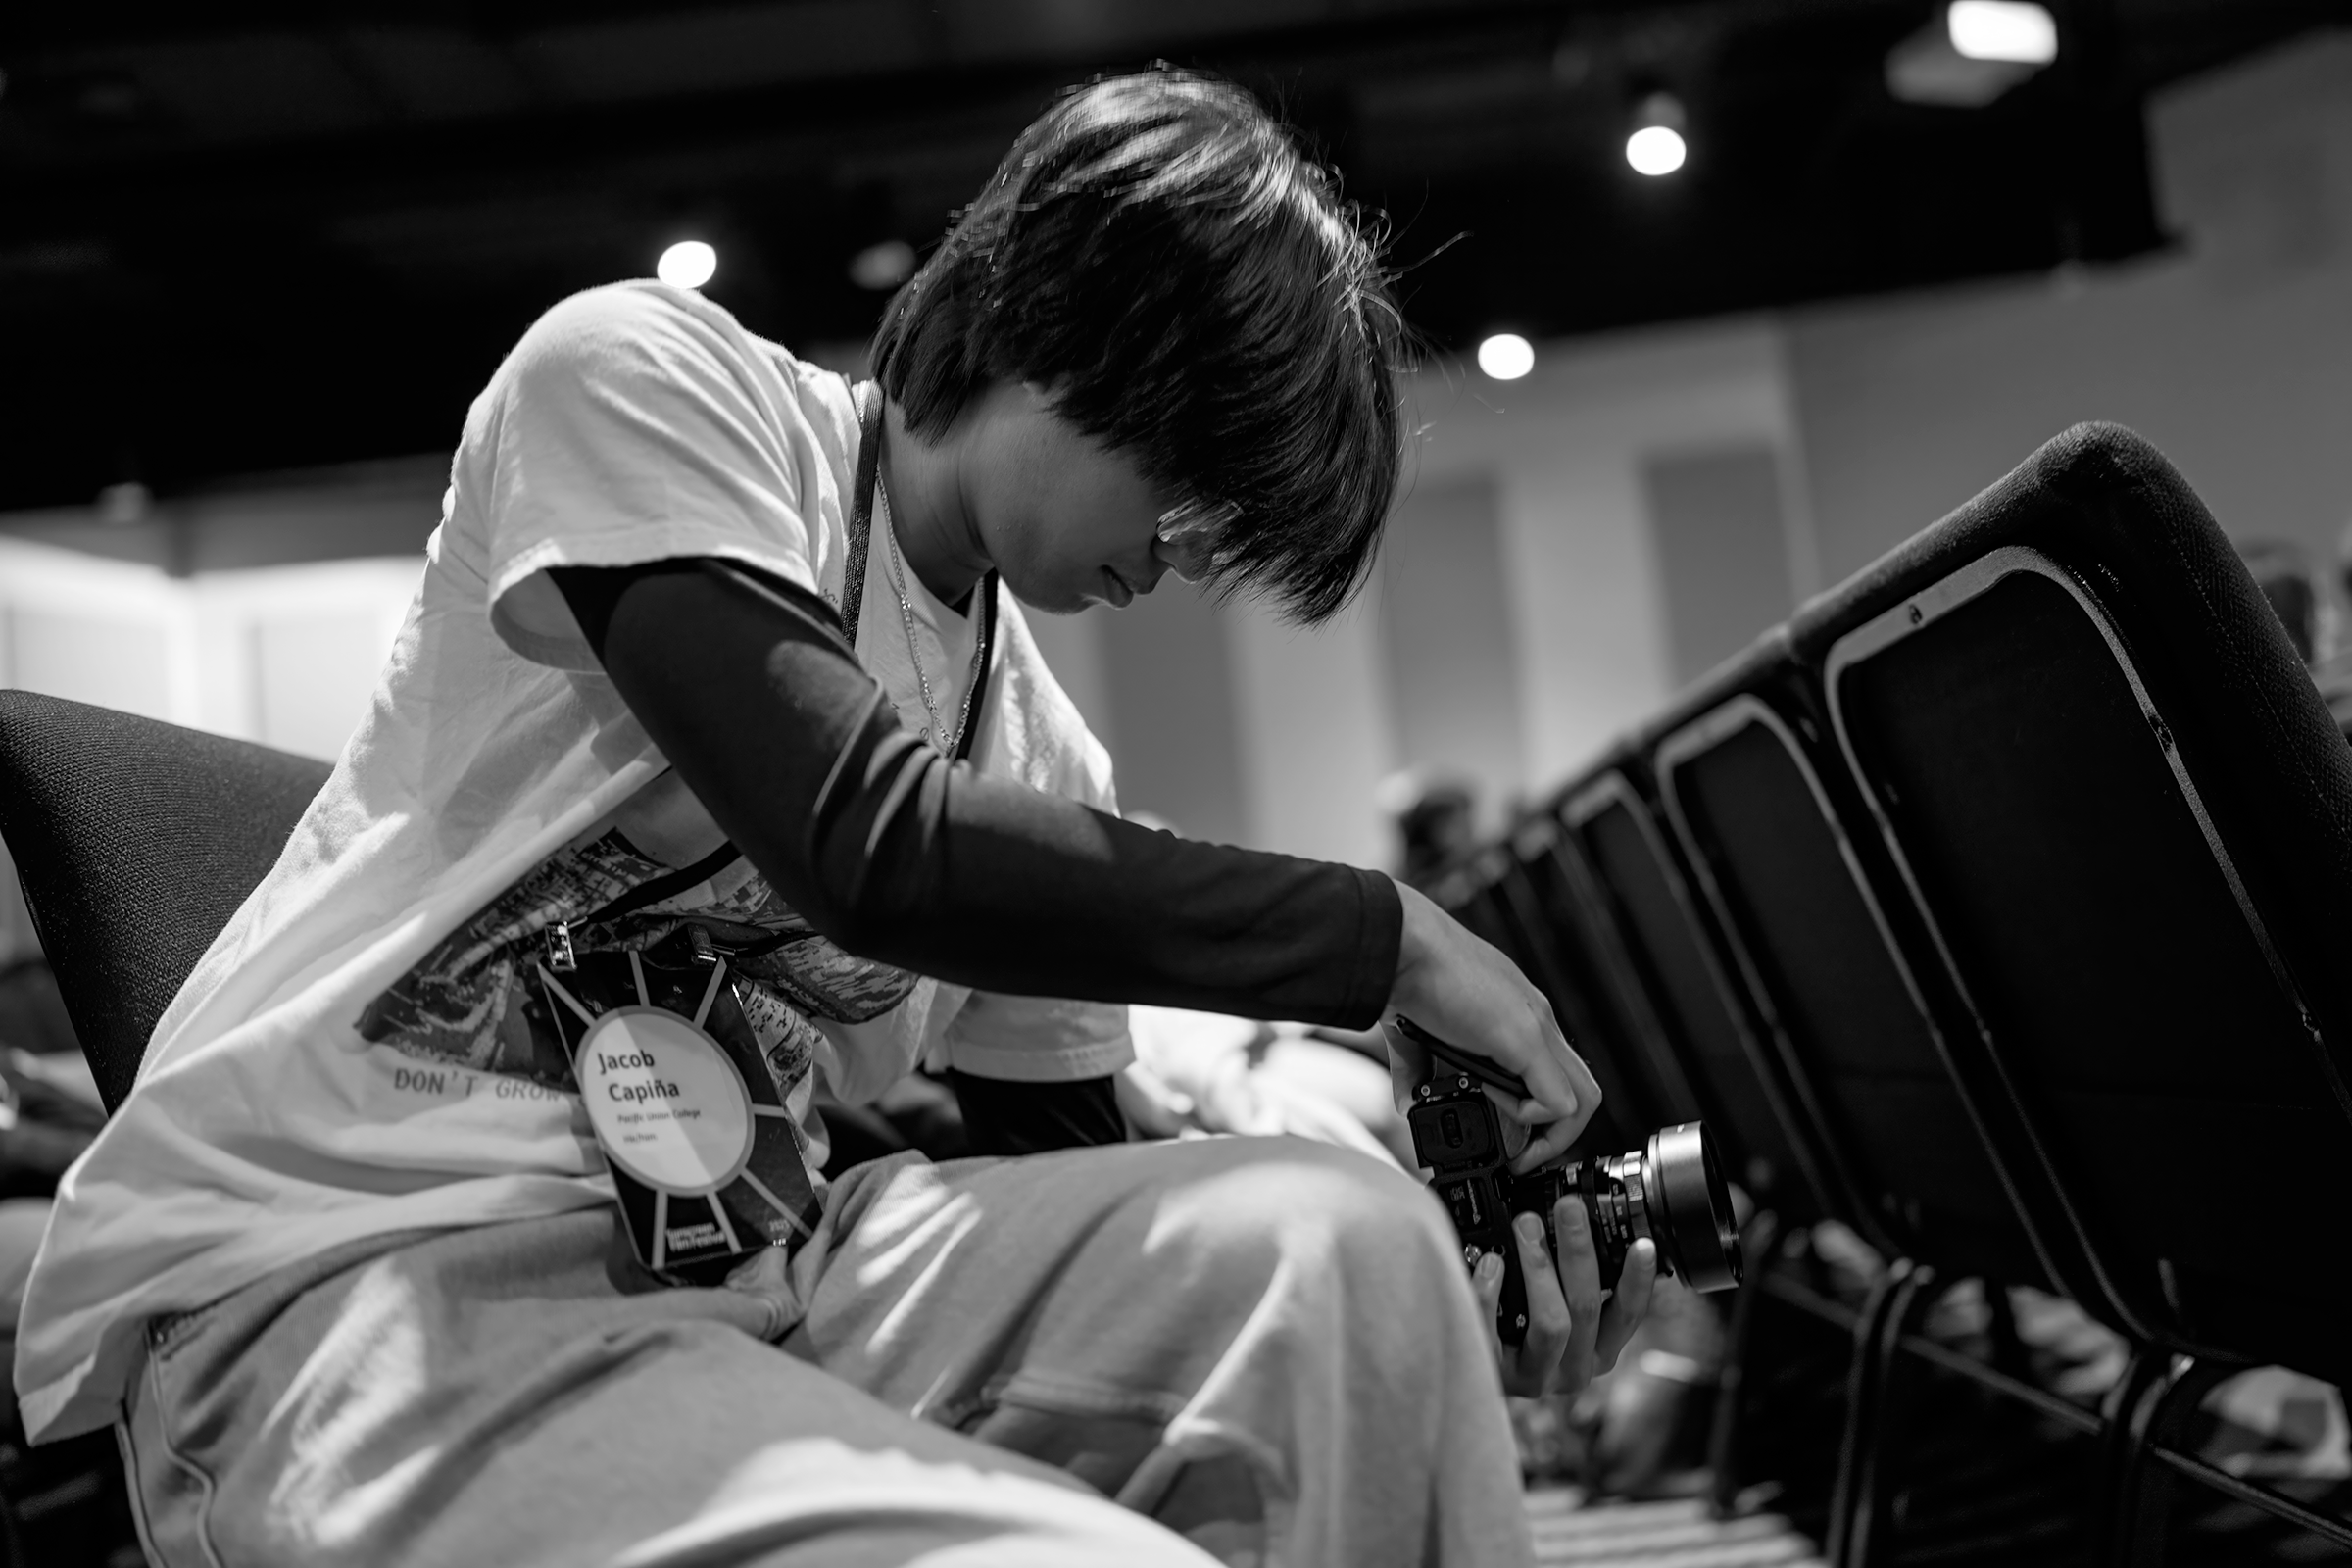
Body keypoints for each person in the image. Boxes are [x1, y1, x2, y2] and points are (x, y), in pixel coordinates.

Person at [14, 71, 1652, 1567]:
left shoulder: (1033, 743)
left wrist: (1449, 1296)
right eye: (1206, 481)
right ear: (1066, 330)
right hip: (376, 1258)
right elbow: (864, 846)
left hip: (757, 1273)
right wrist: (1378, 937)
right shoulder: (653, 385)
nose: (1201, 556)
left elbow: (1086, 1186)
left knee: (1341, 1246)